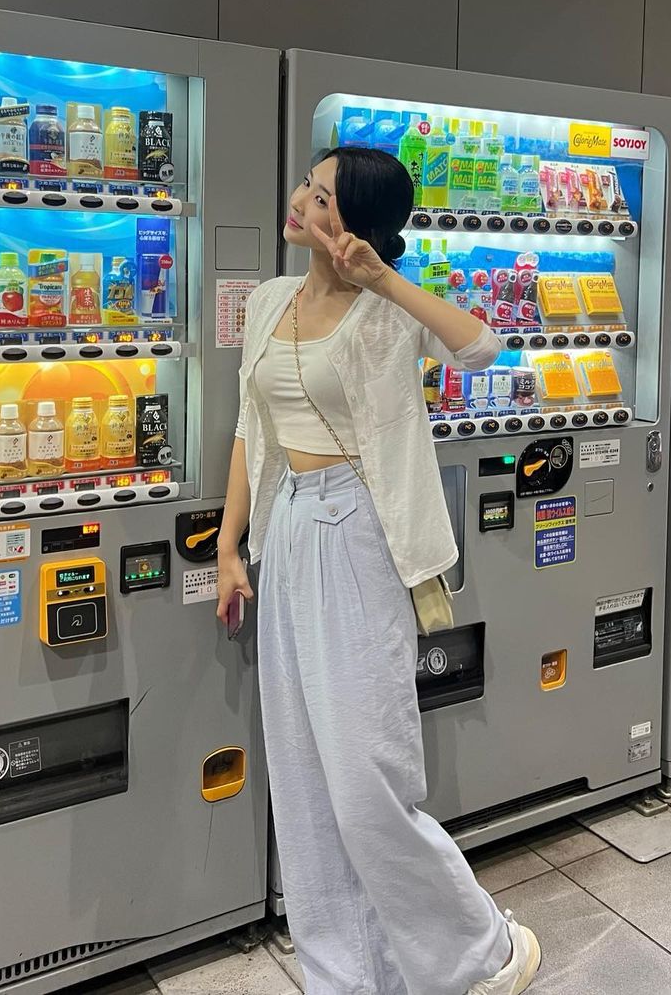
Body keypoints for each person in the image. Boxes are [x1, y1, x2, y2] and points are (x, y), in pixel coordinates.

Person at [216, 146, 542, 995]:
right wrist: (228, 546)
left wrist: (384, 278)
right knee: (303, 780)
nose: (300, 200)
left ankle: (486, 952)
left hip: (358, 533)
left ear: (354, 223)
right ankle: (348, 978)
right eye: (306, 184)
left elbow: (484, 348)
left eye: (322, 197)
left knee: (367, 780)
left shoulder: (387, 314)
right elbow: (251, 427)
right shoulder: (268, 301)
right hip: (288, 531)